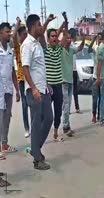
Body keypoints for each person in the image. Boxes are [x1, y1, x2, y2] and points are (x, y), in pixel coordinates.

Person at [21, 14, 53, 170]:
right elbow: (25, 68)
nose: (42, 27)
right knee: (36, 123)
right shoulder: (27, 44)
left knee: (49, 119)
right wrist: (33, 88)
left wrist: (46, 85)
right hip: (34, 91)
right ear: (33, 26)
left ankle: (35, 150)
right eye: (40, 24)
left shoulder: (37, 43)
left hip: (44, 89)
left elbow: (39, 68)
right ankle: (37, 159)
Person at [60, 14, 85, 136]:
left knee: (68, 104)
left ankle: (66, 125)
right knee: (66, 104)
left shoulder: (71, 49)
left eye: (70, 38)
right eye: (67, 38)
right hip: (63, 82)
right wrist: (65, 21)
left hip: (69, 81)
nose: (69, 40)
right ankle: (65, 127)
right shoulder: (62, 49)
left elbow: (80, 48)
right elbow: (64, 34)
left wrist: (84, 38)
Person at [0, 22, 20, 156]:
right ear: (0, 33)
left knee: (6, 117)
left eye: (10, 31)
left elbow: (12, 70)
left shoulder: (10, 50)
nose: (9, 34)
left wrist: (17, 89)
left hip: (8, 88)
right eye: (7, 32)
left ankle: (4, 144)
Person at [44, 18, 65, 141]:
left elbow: (64, 35)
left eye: (56, 36)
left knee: (58, 111)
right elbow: (42, 34)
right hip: (48, 86)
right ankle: (42, 135)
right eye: (52, 36)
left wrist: (64, 23)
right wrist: (47, 21)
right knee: (46, 114)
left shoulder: (59, 49)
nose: (54, 38)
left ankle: (56, 133)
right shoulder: (44, 50)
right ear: (48, 38)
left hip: (58, 85)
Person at [13, 17, 30, 138]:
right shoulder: (18, 47)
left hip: (30, 78)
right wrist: (18, 24)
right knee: (24, 104)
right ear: (20, 36)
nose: (26, 36)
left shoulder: (30, 46)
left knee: (33, 103)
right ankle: (26, 128)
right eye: (24, 34)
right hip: (21, 79)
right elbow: (13, 37)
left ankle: (34, 126)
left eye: (27, 34)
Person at [69, 28, 81, 113]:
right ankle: (69, 108)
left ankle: (76, 107)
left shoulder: (73, 45)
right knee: (70, 91)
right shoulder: (70, 45)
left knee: (74, 90)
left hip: (74, 70)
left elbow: (79, 50)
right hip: (69, 71)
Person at [90, 34, 100, 123]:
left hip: (102, 78)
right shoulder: (96, 48)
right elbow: (89, 50)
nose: (100, 40)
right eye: (99, 39)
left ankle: (100, 115)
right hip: (95, 77)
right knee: (95, 98)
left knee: (102, 98)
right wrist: (93, 40)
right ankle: (94, 115)